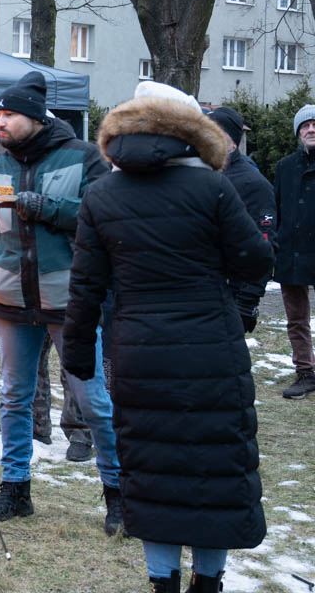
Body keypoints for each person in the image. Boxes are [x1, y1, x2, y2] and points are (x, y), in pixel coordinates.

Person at [62, 84, 274, 593]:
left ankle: (163, 584)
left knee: (153, 468)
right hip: (211, 347)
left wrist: (75, 354)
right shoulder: (214, 188)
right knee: (213, 466)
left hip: (139, 349)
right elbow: (257, 260)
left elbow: (86, 283)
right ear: (188, 132)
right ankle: (208, 583)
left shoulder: (101, 194)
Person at [0, 70, 123, 534]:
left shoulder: (83, 157)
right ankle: (16, 488)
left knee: (93, 399)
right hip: (11, 297)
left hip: (70, 299)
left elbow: (103, 218)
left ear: (36, 118)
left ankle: (119, 493)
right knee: (14, 397)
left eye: (9, 114)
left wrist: (44, 208)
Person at [208, 106, 276, 335]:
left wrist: (247, 301)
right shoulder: (199, 176)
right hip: (199, 289)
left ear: (234, 142)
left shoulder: (254, 184)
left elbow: (264, 246)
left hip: (232, 293)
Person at [274, 102, 315, 399]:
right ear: (298, 133)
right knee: (296, 318)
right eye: (305, 126)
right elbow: (275, 209)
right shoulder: (284, 167)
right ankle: (305, 372)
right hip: (291, 252)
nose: (311, 129)